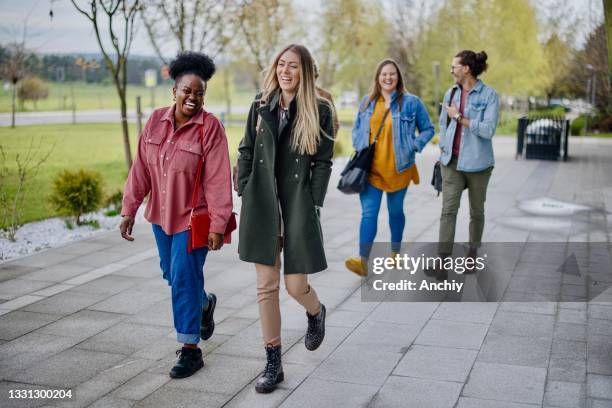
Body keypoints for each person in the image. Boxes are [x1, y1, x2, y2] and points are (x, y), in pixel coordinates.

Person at [119, 51, 233, 379]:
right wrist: (129, 209)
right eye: (187, 91)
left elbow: (217, 180)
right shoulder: (155, 121)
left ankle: (190, 350)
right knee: (172, 274)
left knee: (182, 278)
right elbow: (140, 168)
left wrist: (218, 224)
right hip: (160, 216)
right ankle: (204, 303)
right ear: (174, 91)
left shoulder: (209, 129)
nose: (193, 98)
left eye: (199, 93)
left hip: (192, 219)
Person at [236, 44, 334, 394]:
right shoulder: (260, 104)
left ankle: (316, 312)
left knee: (294, 286)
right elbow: (246, 148)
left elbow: (323, 161)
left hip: (295, 206)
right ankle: (272, 362)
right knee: (266, 287)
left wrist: (313, 201)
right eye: (281, 64)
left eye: (293, 66)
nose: (285, 71)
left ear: (304, 72)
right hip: (263, 205)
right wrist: (244, 186)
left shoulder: (319, 109)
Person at [345, 59, 435, 277]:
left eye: (392, 74)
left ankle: (395, 252)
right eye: (384, 74)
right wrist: (360, 145)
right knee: (369, 213)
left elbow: (428, 129)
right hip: (370, 170)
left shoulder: (411, 103)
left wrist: (414, 145)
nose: (388, 78)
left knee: (395, 212)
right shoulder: (367, 102)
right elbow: (357, 128)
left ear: (398, 77)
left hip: (399, 168)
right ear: (377, 77)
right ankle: (362, 259)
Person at [437, 50, 499, 265]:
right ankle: (442, 262)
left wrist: (461, 118)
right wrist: (443, 149)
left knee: (476, 212)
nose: (451, 70)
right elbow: (443, 124)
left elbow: (488, 130)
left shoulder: (489, 95)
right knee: (448, 211)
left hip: (479, 164)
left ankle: (472, 255)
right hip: (452, 163)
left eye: (454, 66)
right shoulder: (450, 93)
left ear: (466, 69)